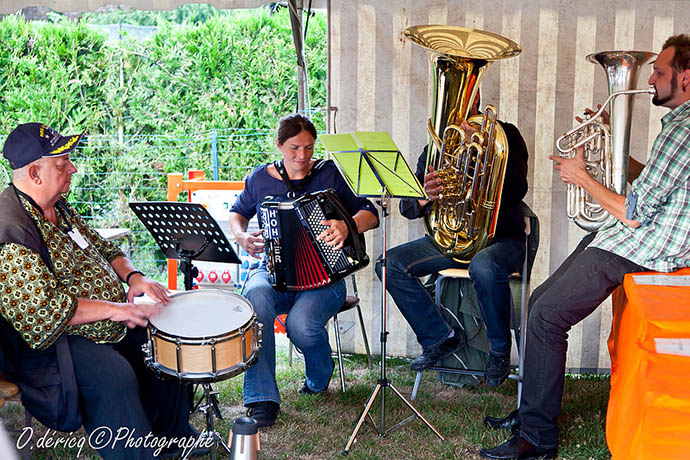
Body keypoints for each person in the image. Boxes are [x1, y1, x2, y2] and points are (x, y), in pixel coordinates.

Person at [480, 34, 690, 460]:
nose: (650, 78)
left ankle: (538, 437)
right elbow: (653, 184)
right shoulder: (680, 129)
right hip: (636, 238)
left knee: (547, 317)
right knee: (540, 301)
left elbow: (633, 213)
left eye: (660, 71)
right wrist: (612, 143)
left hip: (644, 247)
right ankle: (529, 411)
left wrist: (583, 177)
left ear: (686, 78)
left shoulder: (683, 129)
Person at [0, 123, 203, 460]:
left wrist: (134, 276)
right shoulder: (11, 231)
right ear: (34, 173)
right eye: (63, 164)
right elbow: (45, 313)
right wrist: (115, 309)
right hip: (50, 343)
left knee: (162, 342)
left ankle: (172, 437)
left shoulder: (57, 207)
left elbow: (102, 246)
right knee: (112, 374)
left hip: (102, 322)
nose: (73, 169)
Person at [229, 113, 379, 428]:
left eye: (309, 148)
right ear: (279, 145)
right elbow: (238, 213)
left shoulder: (331, 174)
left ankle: (319, 377)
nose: (302, 156)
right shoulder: (260, 179)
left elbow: (371, 213)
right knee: (255, 298)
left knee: (301, 326)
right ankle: (261, 399)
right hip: (273, 271)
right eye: (295, 148)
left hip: (326, 276)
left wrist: (347, 223)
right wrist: (241, 236)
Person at [377, 92, 529, 386]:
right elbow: (407, 208)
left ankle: (498, 351)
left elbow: (517, 189)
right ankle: (439, 336)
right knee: (390, 264)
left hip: (500, 240)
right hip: (452, 240)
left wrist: (485, 154)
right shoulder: (436, 147)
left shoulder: (506, 137)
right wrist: (424, 196)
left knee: (484, 267)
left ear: (479, 100)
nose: (460, 107)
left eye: (469, 98)